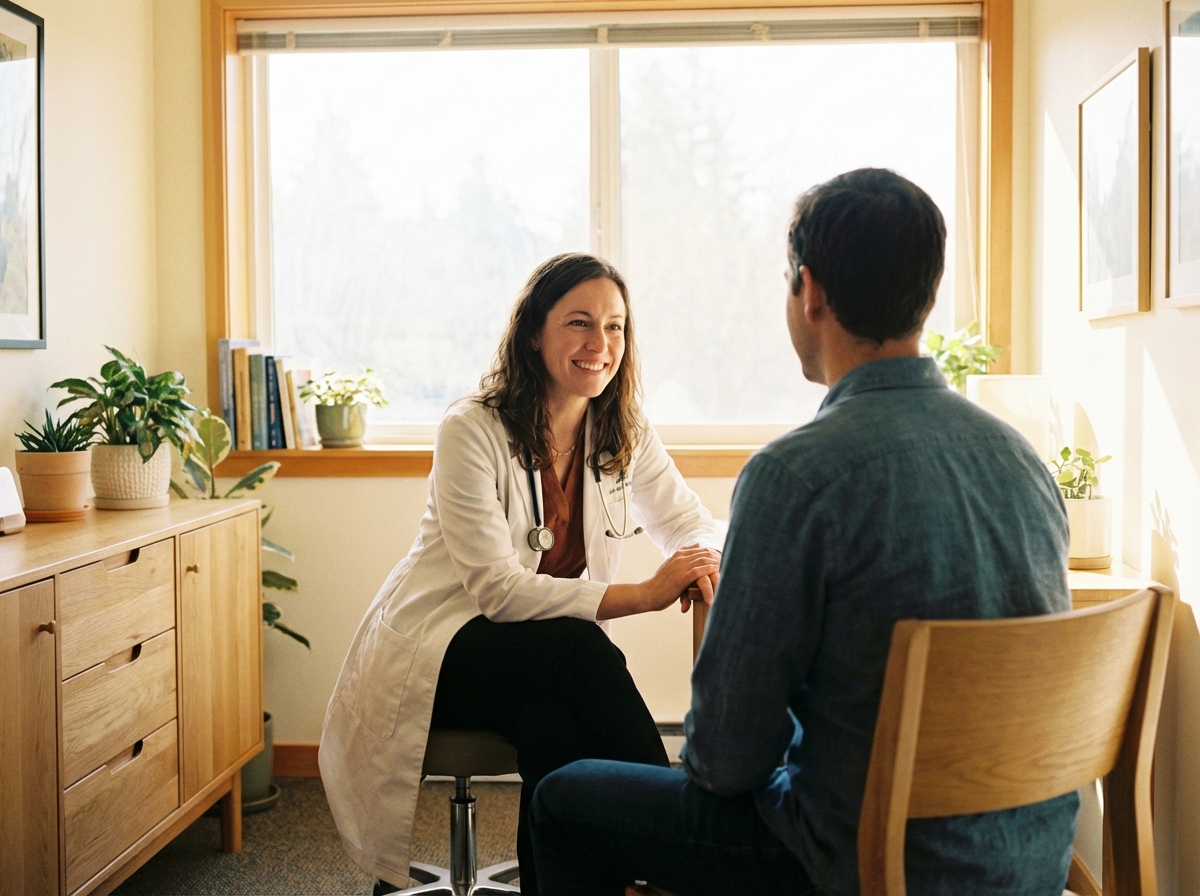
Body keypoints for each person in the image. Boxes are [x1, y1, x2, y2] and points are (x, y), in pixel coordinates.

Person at [529, 169, 1079, 895]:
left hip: (849, 863)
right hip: (1023, 860)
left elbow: (725, 760)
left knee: (563, 798)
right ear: (927, 293)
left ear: (809, 291)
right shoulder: (1022, 461)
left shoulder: (795, 476)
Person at [319, 253, 724, 895]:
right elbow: (500, 593)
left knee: (552, 732)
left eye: (616, 327)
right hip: (444, 652)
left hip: (537, 664)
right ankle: (680, 831)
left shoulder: (620, 429)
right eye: (580, 323)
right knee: (578, 646)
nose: (601, 345)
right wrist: (647, 593)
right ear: (535, 331)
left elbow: (691, 520)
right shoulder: (471, 429)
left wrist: (704, 557)